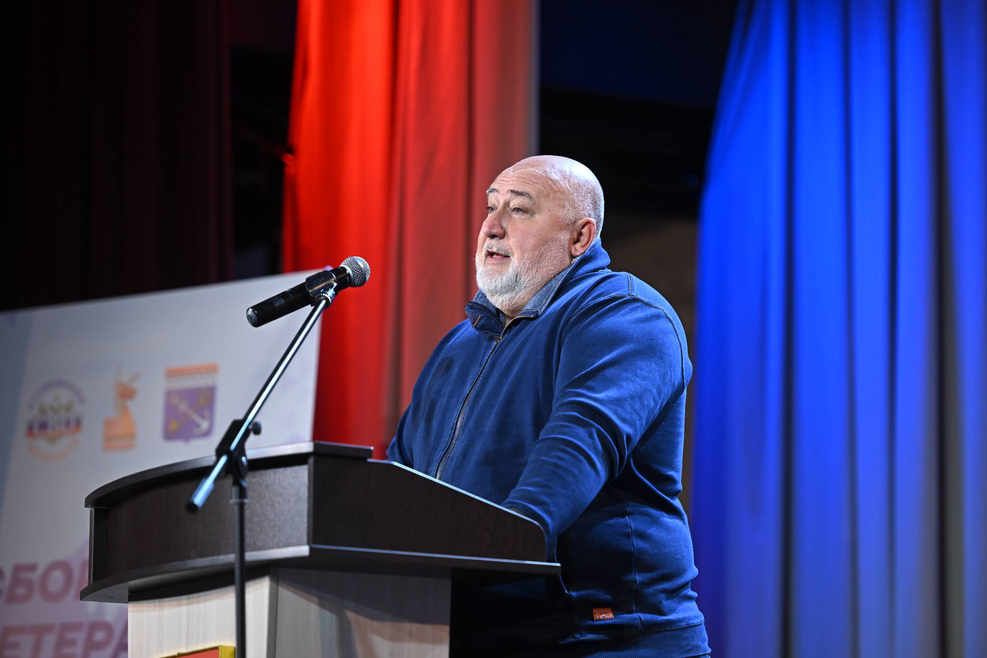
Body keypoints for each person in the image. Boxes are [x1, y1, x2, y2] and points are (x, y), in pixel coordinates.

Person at [386, 155, 709, 657]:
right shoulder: (458, 345)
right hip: (475, 631)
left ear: (580, 238)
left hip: (605, 638)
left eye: (519, 210)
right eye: (491, 207)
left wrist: (482, 556)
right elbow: (400, 480)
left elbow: (575, 449)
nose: (492, 227)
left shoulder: (626, 317)